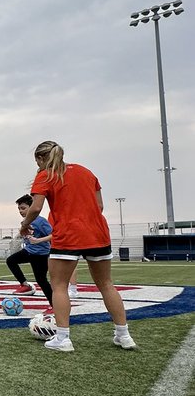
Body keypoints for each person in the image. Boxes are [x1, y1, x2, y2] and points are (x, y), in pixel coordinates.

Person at [20, 140, 135, 353]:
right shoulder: (85, 171)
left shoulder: (45, 175)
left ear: (39, 158)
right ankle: (124, 335)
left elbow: (35, 208)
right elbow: (99, 206)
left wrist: (24, 226)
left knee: (59, 286)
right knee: (107, 285)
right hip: (97, 233)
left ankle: (63, 338)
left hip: (68, 235)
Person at [7, 195, 52, 306]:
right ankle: (24, 284)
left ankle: (54, 305)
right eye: (19, 209)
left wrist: (38, 240)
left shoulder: (41, 221)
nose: (20, 211)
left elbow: (54, 235)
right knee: (11, 261)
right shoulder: (25, 222)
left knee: (41, 281)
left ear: (31, 207)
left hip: (40, 255)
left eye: (23, 208)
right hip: (29, 251)